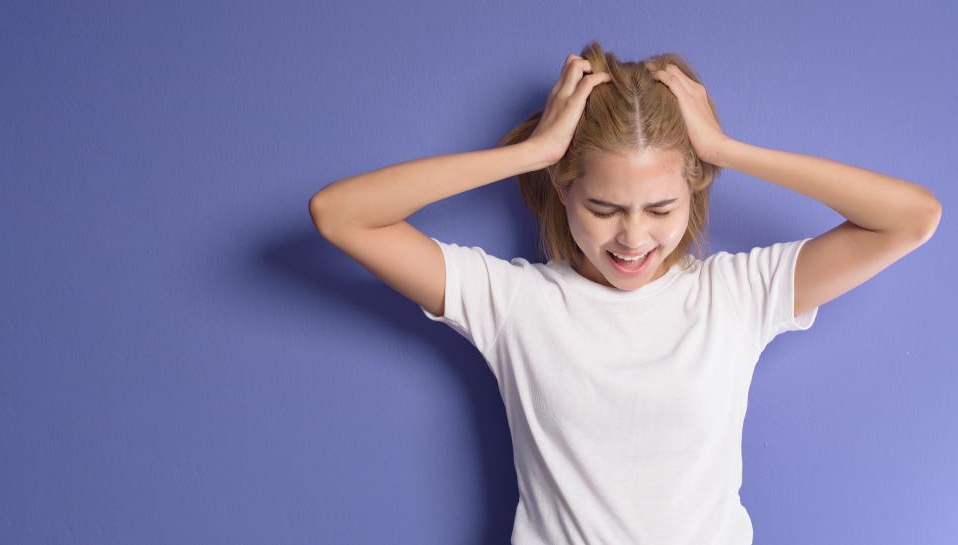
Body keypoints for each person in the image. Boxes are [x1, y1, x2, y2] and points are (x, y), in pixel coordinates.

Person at [309, 42, 941, 545]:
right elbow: (340, 214)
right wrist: (533, 152)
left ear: (692, 193)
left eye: (660, 207)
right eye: (605, 208)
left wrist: (724, 149)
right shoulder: (511, 303)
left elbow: (912, 217)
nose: (633, 237)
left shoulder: (738, 294)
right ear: (563, 190)